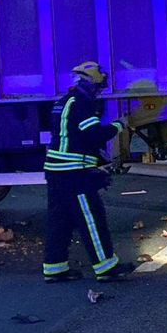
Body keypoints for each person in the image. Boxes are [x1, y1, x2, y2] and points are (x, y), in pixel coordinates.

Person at [42, 61, 133, 283]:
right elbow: (93, 135)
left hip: (56, 170)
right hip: (74, 173)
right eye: (99, 85)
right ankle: (106, 267)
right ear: (92, 82)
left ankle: (55, 268)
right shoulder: (82, 103)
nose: (99, 90)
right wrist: (119, 126)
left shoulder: (63, 101)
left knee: (59, 220)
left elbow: (73, 136)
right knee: (91, 218)